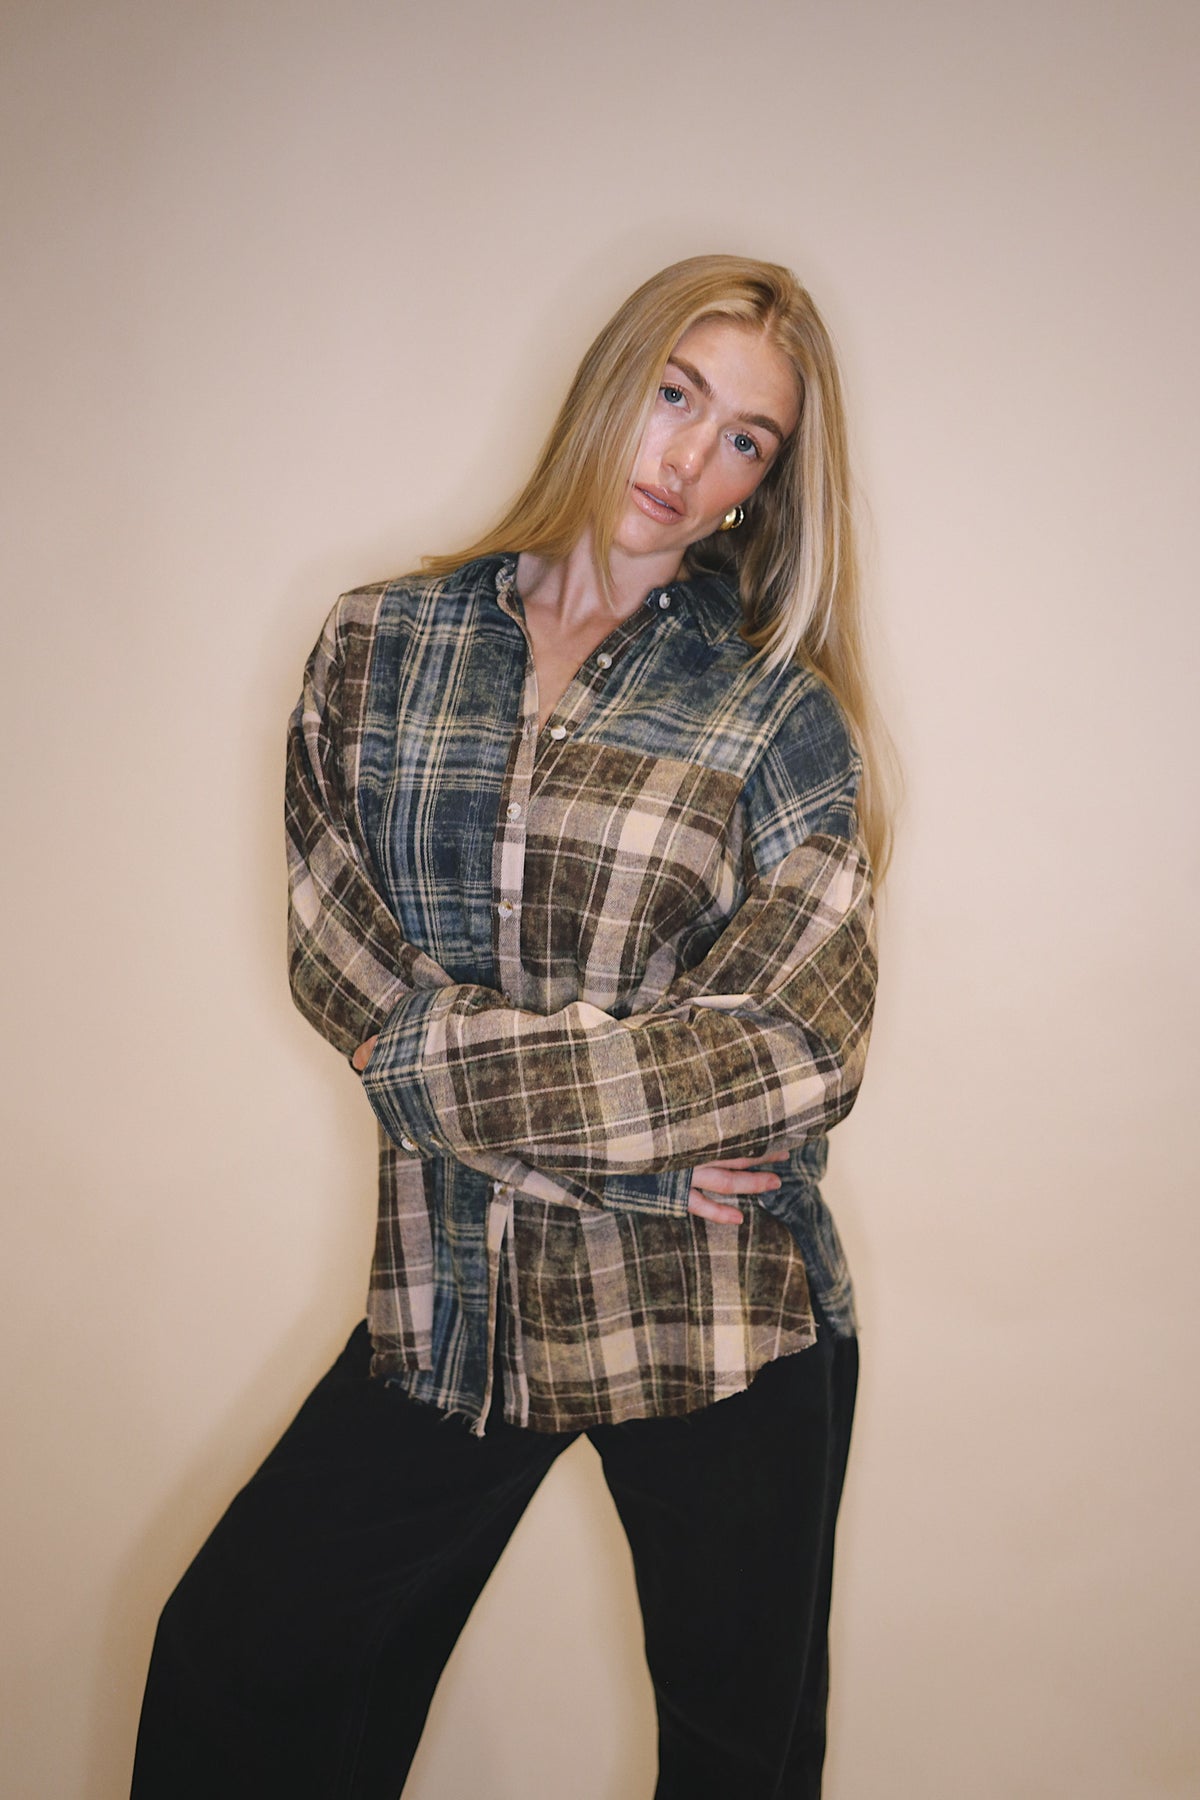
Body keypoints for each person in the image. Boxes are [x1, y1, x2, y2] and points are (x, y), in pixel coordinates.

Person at [132, 253, 891, 1799]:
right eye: (676, 395)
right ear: (613, 383)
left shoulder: (776, 713)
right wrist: (638, 1155)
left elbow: (792, 1051)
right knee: (238, 1663)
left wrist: (429, 1069)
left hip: (720, 1323)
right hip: (454, 1305)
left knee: (736, 1766)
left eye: (746, 438)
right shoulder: (379, 646)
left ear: (763, 485)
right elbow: (339, 965)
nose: (690, 457)